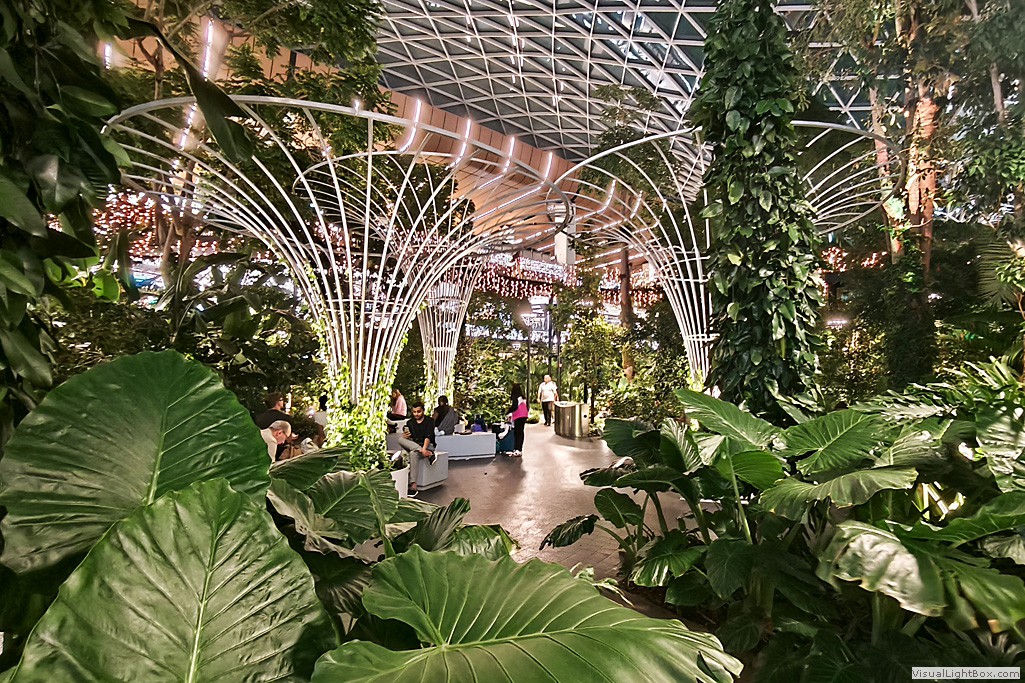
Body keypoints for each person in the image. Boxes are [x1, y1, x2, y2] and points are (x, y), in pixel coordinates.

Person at [397, 402, 437, 494]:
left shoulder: (429, 421)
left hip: (428, 446)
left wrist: (424, 449)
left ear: (423, 411)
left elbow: (428, 437)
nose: (416, 414)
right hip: (416, 446)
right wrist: (406, 436)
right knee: (400, 439)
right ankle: (428, 454)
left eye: (418, 411)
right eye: (414, 412)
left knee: (413, 453)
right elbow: (409, 438)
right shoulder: (410, 423)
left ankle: (413, 485)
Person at [508, 383, 528, 457]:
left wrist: (508, 411)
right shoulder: (523, 398)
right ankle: (519, 449)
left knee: (517, 432)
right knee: (521, 432)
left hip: (518, 415)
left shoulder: (516, 397)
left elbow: (514, 407)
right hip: (524, 415)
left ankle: (517, 449)